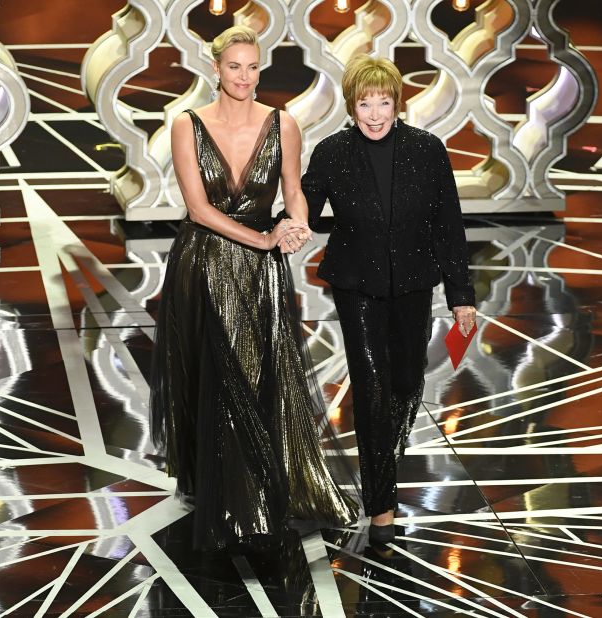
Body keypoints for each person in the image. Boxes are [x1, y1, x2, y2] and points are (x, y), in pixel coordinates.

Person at [149, 25, 358, 551]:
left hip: (262, 270)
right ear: (215, 68)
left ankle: (261, 487)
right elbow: (198, 209)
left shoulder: (283, 123)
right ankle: (231, 499)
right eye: (235, 66)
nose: (245, 77)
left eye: (253, 67)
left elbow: (294, 190)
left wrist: (298, 223)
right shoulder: (187, 124)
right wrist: (263, 240)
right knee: (219, 376)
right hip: (206, 265)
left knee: (261, 372)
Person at [301, 55, 477, 547]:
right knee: (371, 387)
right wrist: (269, 222)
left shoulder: (427, 150)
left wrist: (462, 296)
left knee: (405, 382)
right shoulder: (332, 152)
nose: (375, 113)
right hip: (357, 284)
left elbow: (448, 226)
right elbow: (306, 212)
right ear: (351, 104)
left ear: (399, 103)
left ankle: (384, 461)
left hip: (416, 284)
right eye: (364, 103)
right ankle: (381, 505)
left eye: (384, 102)